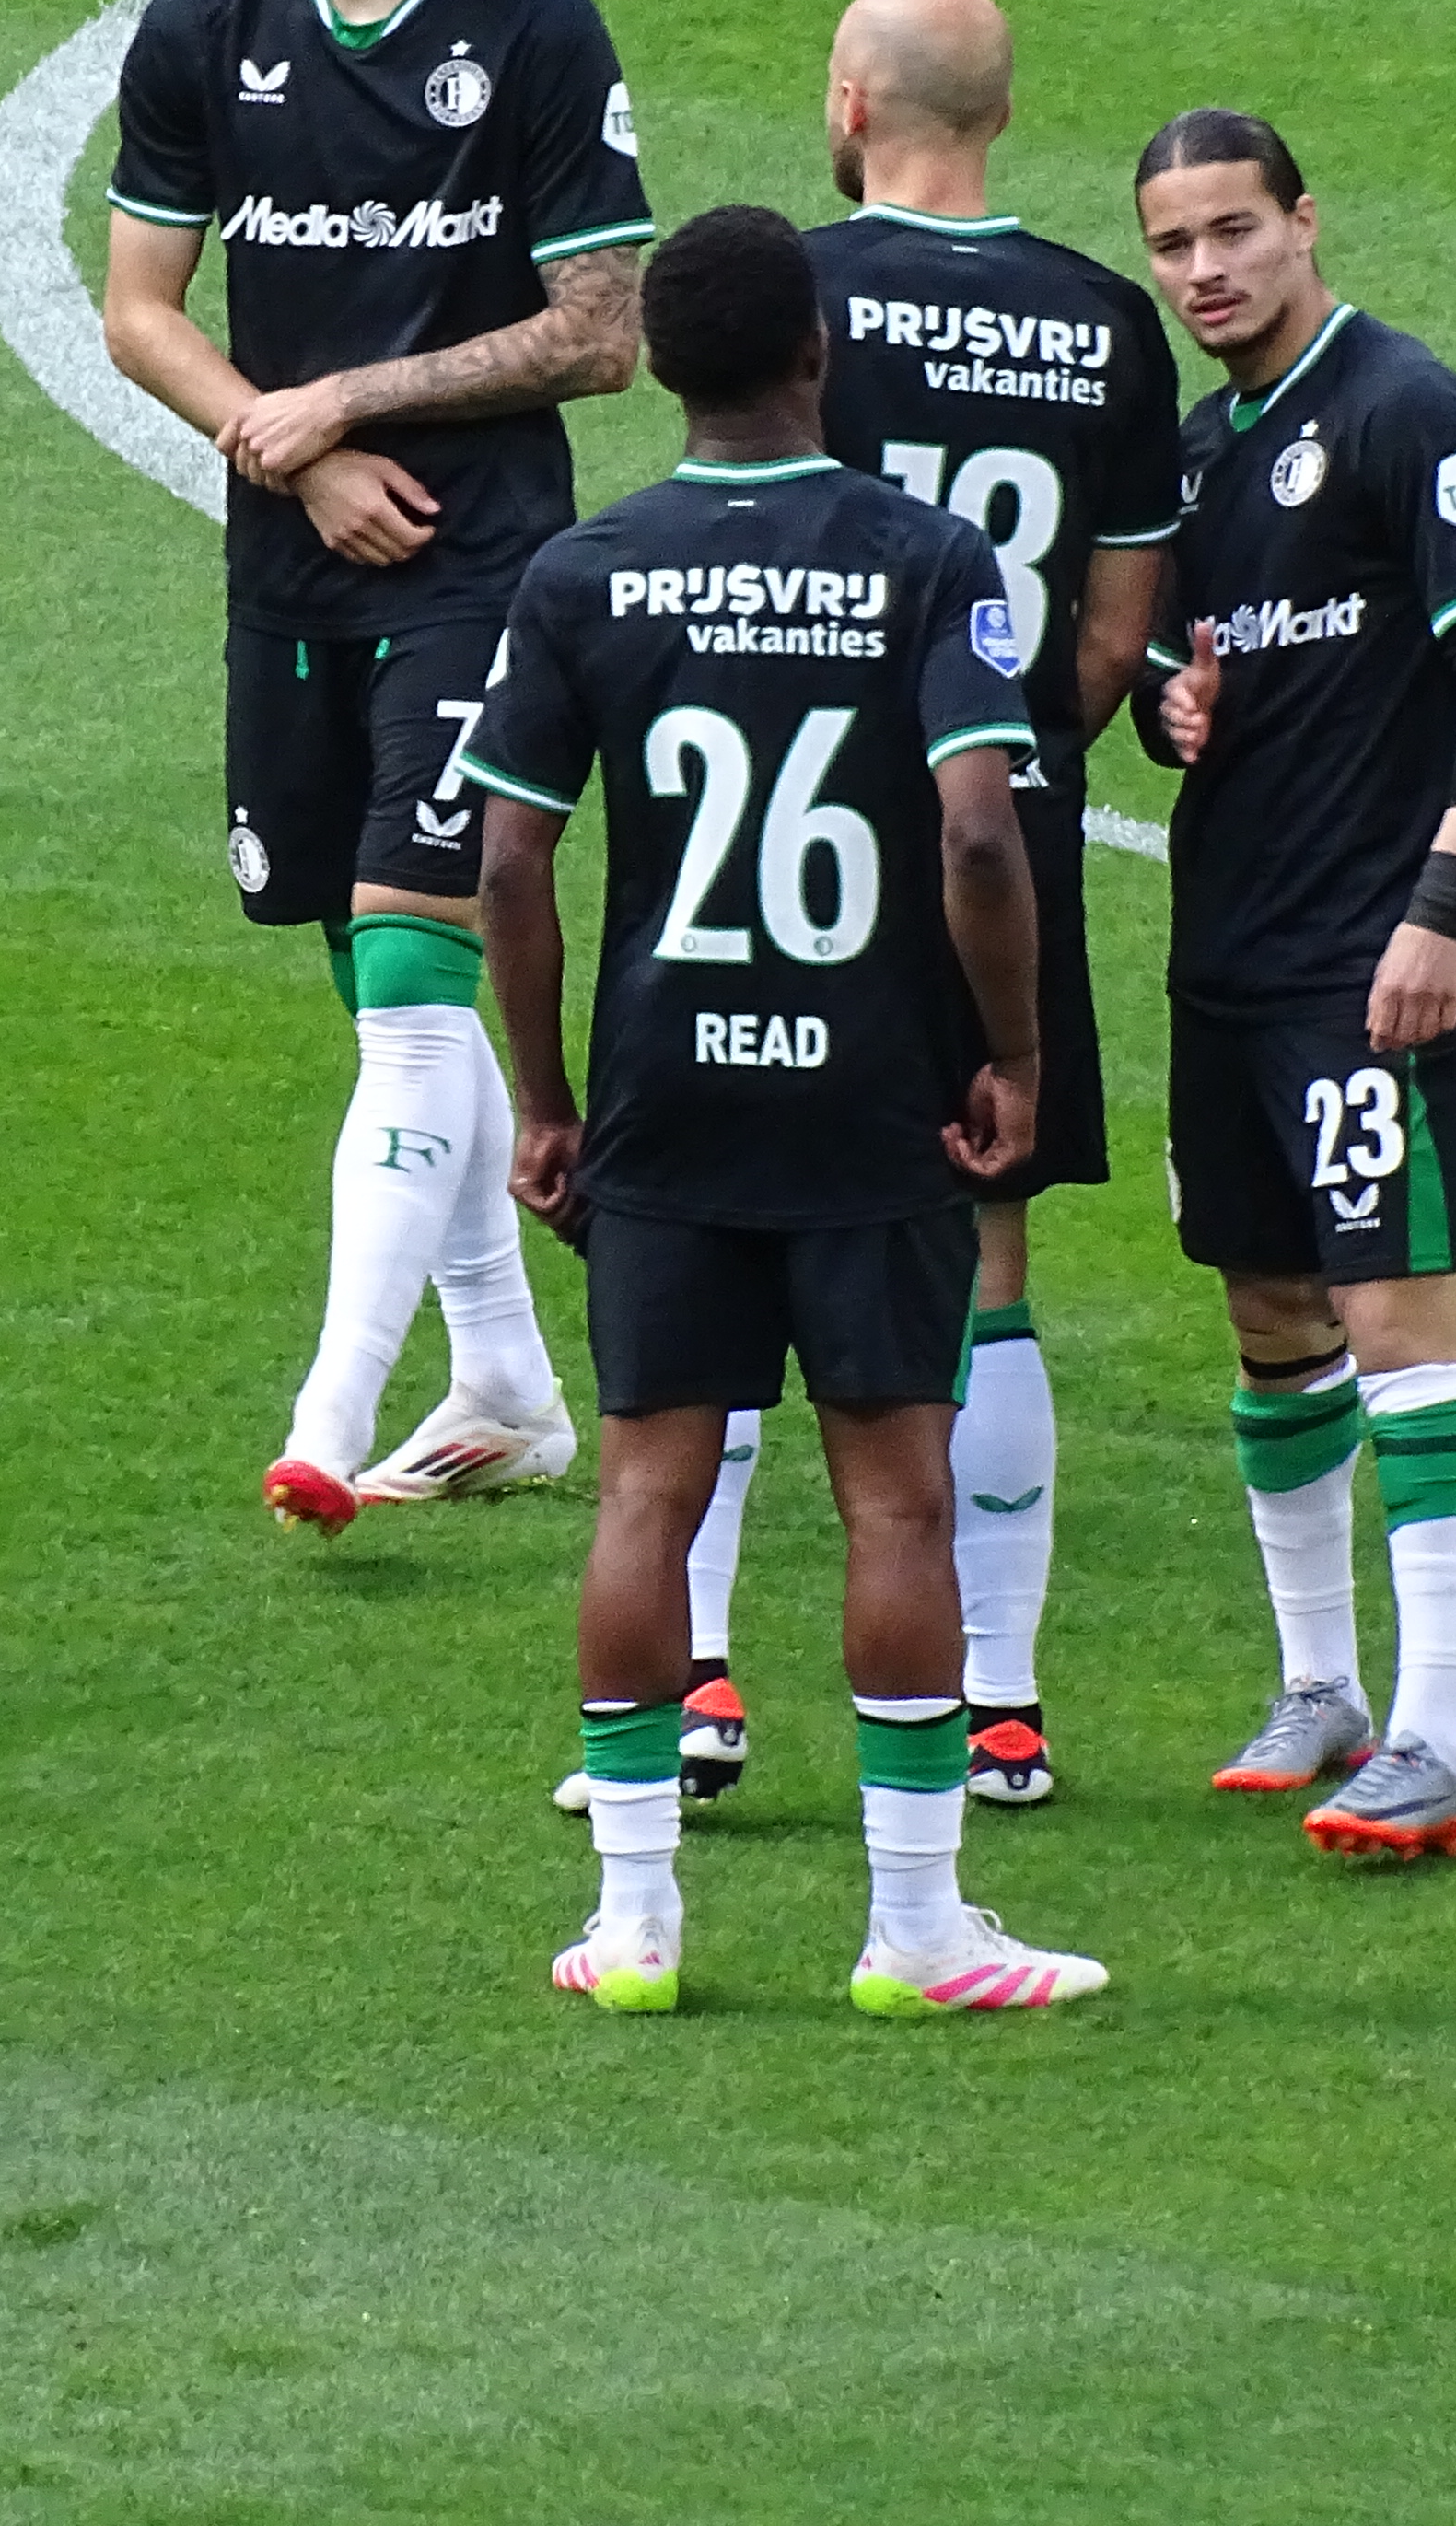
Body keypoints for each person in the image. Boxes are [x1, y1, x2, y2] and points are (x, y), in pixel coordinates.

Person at [464, 205, 1103, 2016]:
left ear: (662, 367)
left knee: (647, 1494)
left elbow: (507, 862)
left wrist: (548, 1100)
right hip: (872, 1103)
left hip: (667, 1102)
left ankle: (634, 1926)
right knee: (896, 1505)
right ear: (817, 352)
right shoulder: (929, 557)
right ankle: (916, 1932)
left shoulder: (584, 570)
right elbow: (979, 835)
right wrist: (1015, 1057)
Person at [101, 0, 652, 1529]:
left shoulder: (533, 28)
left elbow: (602, 337)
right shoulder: (205, 28)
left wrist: (355, 399)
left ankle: (327, 1417)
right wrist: (292, 448)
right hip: (291, 562)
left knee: (417, 970)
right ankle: (505, 1383)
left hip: (486, 562)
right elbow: (140, 309)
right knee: (370, 978)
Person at [625, 0, 1175, 1816]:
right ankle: (1001, 1703)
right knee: (982, 1259)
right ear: (1000, 113)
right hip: (993, 836)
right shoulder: (1106, 322)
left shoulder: (797, 295)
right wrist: (996, 759)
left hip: (784, 855)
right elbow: (1112, 638)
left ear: (849, 105)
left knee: (727, 1249)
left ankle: (701, 1685)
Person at [1134, 112, 1456, 1862]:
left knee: (1396, 1321)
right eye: (1173, 246)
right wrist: (1171, 706)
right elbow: (1185, 668)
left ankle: (1435, 1738)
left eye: (1234, 231)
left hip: (1373, 959)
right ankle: (1325, 1686)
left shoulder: (1407, 411)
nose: (1205, 271)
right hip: (1229, 954)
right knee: (1271, 1316)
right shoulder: (1198, 452)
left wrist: (1443, 907)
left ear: (1306, 222)